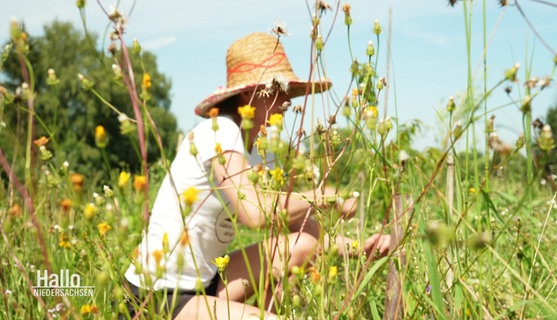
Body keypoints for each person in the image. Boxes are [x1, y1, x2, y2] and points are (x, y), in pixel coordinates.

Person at [123, 32, 390, 320]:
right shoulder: (219, 131)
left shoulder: (261, 152)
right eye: (280, 90)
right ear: (250, 94)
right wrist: (328, 196)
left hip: (207, 281)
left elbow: (302, 227)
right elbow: (255, 213)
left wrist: (358, 248)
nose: (286, 101)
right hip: (159, 294)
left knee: (303, 244)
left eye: (288, 91)